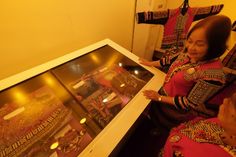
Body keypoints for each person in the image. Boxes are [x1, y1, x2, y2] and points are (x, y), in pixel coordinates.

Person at [139, 15, 232, 129]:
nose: (191, 47)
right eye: (190, 40)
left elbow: (189, 103)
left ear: (214, 46)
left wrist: (158, 97)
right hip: (160, 95)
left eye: (199, 44)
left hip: (173, 111)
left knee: (158, 127)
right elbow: (170, 60)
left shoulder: (214, 75)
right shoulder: (190, 52)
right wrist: (150, 63)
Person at [162, 92, 236, 157]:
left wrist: (159, 98)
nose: (225, 100)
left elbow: (188, 102)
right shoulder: (224, 124)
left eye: (230, 102)